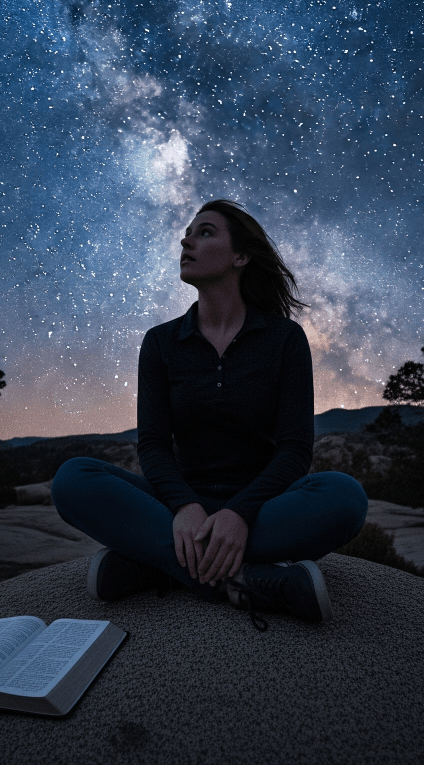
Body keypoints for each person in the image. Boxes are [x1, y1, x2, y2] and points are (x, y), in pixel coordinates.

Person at [52, 199, 368, 630]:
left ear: (241, 256)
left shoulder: (284, 339)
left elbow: (295, 449)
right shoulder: (161, 342)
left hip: (261, 508)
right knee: (73, 478)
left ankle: (158, 565)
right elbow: (154, 444)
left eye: (204, 232)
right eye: (187, 234)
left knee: (345, 497)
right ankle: (242, 581)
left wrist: (239, 514)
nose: (186, 241)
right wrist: (185, 507)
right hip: (177, 506)